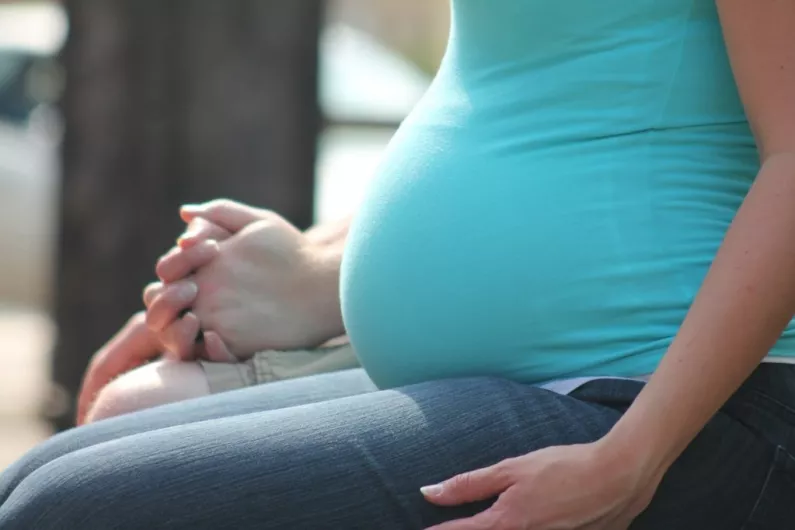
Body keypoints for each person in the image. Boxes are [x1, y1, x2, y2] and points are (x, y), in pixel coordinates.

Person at [2, 0, 795, 528]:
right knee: (41, 477)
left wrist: (634, 458)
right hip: (549, 378)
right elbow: (543, 99)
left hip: (670, 402)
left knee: (68, 512)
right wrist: (320, 266)